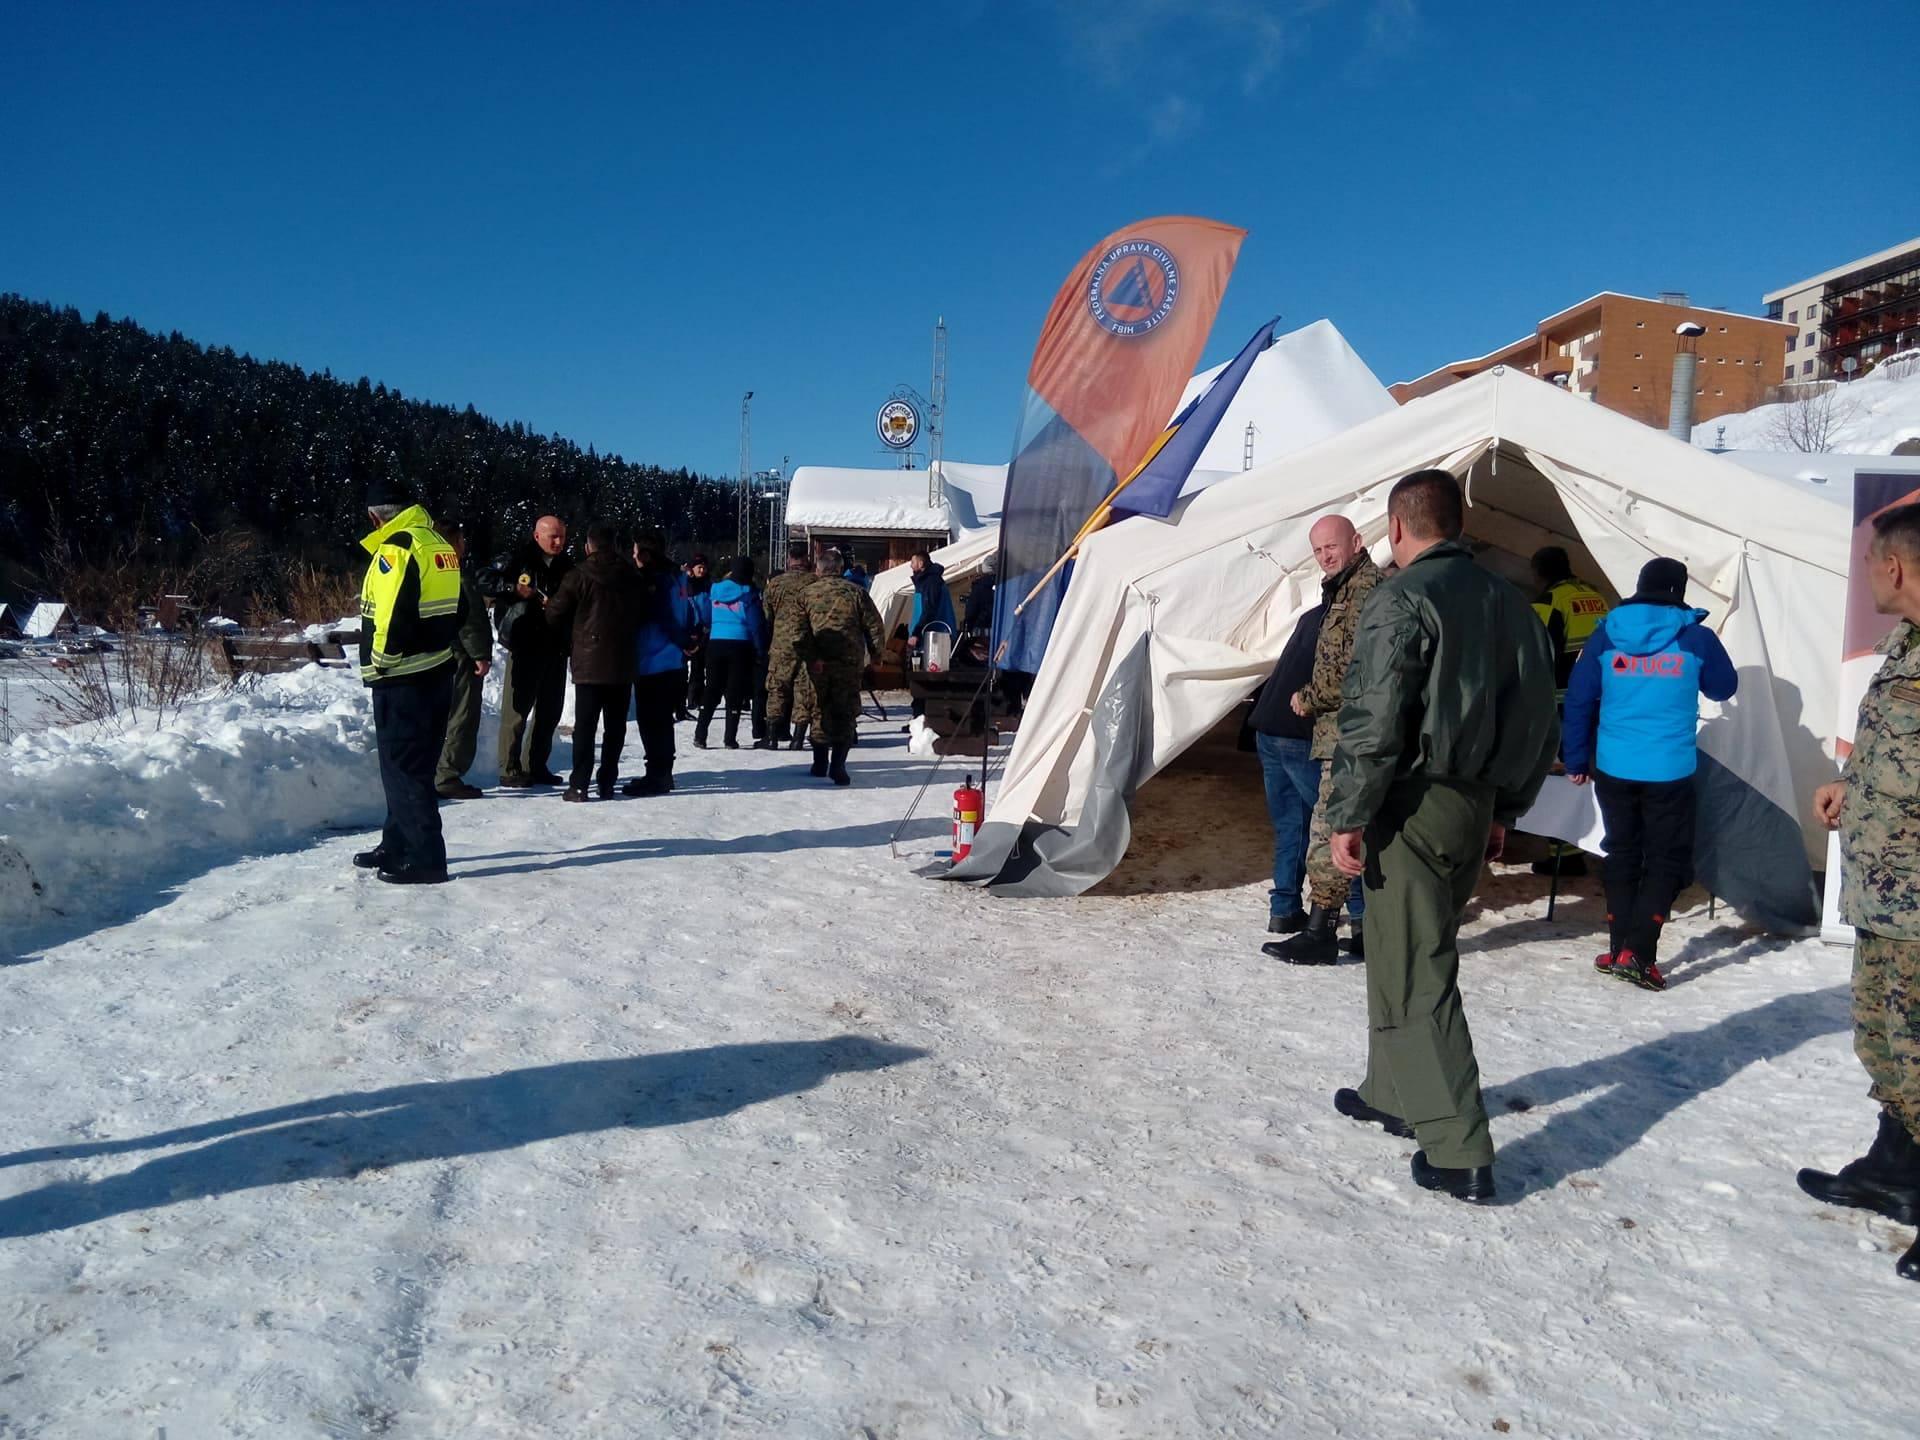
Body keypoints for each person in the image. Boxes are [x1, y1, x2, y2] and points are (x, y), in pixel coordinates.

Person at [1323, 469, 1559, 1203]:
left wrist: (1349, 812)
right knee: (1401, 951)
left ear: (1397, 528)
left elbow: (1374, 715)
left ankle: (1459, 1148)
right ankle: (1391, 1090)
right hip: (1473, 800)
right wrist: (1503, 808)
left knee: (1418, 966)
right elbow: (1534, 715)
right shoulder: (1510, 602)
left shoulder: (1402, 598)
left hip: (1412, 804)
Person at [1802, 501, 1920, 1284]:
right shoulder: (1904, 645)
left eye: (1870, 562)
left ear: (1896, 567)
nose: (1866, 575)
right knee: (1885, 1045)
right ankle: (1895, 1169)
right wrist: (1850, 788)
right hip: (1886, 893)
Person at [1560, 557, 1737, 991]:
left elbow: (1579, 698)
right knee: (1665, 859)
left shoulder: (1606, 634)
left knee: (1621, 853)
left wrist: (1577, 759)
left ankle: (1620, 946)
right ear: (1678, 591)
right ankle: (1638, 954)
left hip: (1614, 766)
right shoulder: (1696, 638)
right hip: (1669, 770)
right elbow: (1723, 687)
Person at [1266, 514, 1379, 964]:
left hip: (1352, 734)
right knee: (1335, 831)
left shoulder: (1365, 592)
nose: (1324, 557)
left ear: (1356, 541)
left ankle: (1322, 934)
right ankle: (1360, 931)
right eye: (1317, 550)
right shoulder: (1341, 591)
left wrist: (1310, 696)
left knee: (1331, 832)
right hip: (1339, 735)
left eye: (1331, 547)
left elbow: (1358, 667)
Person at [352, 481, 463, 885]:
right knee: (406, 765)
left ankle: (425, 856)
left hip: (401, 676)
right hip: (435, 669)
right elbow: (460, 604)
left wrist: (380, 663)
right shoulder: (437, 544)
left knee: (404, 768)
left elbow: (392, 612)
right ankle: (396, 842)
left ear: (374, 515)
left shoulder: (398, 548)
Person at [544, 522, 644, 801]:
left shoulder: (578, 575)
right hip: (623, 662)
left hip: (589, 663)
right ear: (614, 545)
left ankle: (579, 784)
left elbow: (555, 614)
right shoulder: (630, 574)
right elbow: (643, 612)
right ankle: (607, 782)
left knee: (585, 728)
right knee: (615, 727)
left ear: (588, 546)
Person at [1529, 545, 1611, 876]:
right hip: (1602, 698)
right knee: (1589, 771)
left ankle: (1563, 853)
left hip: (1563, 700)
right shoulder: (1597, 596)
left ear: (1540, 573)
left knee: (1561, 774)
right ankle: (1587, 843)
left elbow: (1537, 654)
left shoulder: (1549, 603)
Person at [1248, 600, 1329, 934]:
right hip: (1300, 731)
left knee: (1291, 826)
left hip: (1269, 726)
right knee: (1339, 824)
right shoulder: (1355, 619)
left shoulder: (1312, 616)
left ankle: (1283, 910)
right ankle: (1360, 917)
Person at [483, 515, 572, 787]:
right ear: (537, 536)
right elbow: (484, 579)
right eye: (552, 536)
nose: (558, 542)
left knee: (550, 710)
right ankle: (509, 767)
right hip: (525, 643)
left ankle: (535, 765)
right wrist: (513, 590)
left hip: (556, 645)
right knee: (517, 710)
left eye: (562, 537)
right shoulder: (517, 560)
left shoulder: (567, 566)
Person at [794, 548, 886, 784]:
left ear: (819, 568)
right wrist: (876, 656)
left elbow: (797, 633)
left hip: (818, 665)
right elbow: (874, 626)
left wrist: (810, 657)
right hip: (848, 663)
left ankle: (820, 762)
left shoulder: (806, 594)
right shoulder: (856, 592)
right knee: (844, 712)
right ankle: (838, 765)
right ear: (840, 569)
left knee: (818, 710)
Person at [623, 532, 698, 795]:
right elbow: (685, 611)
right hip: (673, 661)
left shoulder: (654, 580)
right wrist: (690, 637)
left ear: (645, 554)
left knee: (651, 721)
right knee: (663, 721)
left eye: (635, 552)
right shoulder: (678, 577)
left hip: (653, 659)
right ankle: (663, 771)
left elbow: (661, 616)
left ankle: (657, 774)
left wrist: (682, 640)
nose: (633, 557)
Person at [434, 524, 493, 801]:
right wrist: (480, 653)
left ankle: (436, 769)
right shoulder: (456, 575)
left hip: (437, 651)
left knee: (442, 713)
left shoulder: (428, 570)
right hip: (460, 654)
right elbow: (470, 620)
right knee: (462, 713)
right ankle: (448, 773)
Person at [695, 555, 767, 749]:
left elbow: (707, 617)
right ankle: (729, 738)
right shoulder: (749, 593)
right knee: (734, 691)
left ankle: (700, 733)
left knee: (712, 688)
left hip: (715, 642)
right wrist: (761, 650)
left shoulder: (715, 590)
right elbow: (756, 624)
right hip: (740, 644)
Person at [763, 544, 820, 749]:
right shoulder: (815, 582)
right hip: (808, 643)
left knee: (777, 689)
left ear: (789, 558)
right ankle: (797, 738)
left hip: (781, 644)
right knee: (803, 690)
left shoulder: (775, 584)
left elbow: (767, 616)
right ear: (807, 558)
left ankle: (771, 737)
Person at [681, 554, 711, 722]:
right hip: (687, 629)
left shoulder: (709, 586)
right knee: (682, 668)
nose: (702, 569)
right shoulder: (685, 585)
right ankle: (682, 700)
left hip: (704, 630)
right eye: (698, 566)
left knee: (699, 667)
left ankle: (696, 698)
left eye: (704, 567)